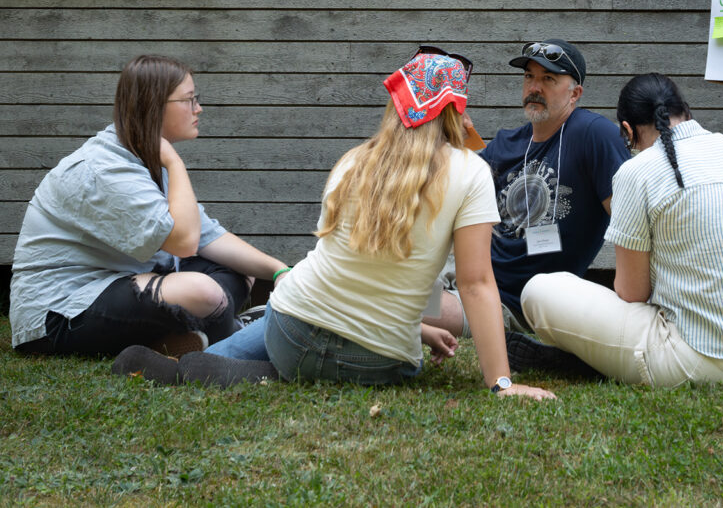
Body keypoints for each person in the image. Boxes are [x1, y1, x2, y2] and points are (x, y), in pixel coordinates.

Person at [113, 49, 555, 400]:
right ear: (457, 112)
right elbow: (476, 283)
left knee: (295, 303)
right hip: (376, 359)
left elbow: (351, 269)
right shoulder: (469, 170)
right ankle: (247, 375)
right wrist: (500, 382)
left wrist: (417, 324)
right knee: (403, 362)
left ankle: (192, 368)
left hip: (291, 324)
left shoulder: (353, 161)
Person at [513, 73, 723, 387]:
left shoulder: (637, 171)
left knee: (538, 291)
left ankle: (597, 361)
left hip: (704, 361)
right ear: (686, 111)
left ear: (627, 131)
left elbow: (632, 293)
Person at [9, 55, 289, 357]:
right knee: (203, 291)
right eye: (189, 100)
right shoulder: (103, 169)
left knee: (238, 267)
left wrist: (279, 271)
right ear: (154, 105)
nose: (199, 108)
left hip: (128, 283)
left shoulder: (143, 153)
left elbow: (208, 237)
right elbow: (184, 243)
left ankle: (183, 336)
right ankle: (230, 332)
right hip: (62, 315)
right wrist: (174, 161)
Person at [425, 39, 631, 337]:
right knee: (393, 289)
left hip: (509, 301)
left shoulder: (592, 134)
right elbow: (456, 182)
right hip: (462, 266)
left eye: (549, 79)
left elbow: (630, 221)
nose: (535, 87)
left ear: (575, 93)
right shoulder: (509, 142)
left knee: (413, 306)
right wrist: (454, 131)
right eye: (529, 77)